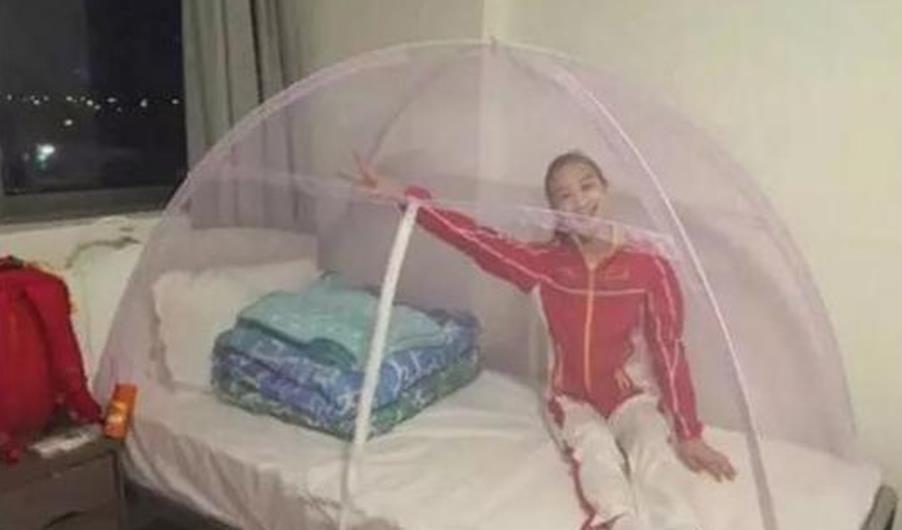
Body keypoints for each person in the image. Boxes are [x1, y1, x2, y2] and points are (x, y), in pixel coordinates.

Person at [355, 151, 736, 530]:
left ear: (606, 189)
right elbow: (476, 239)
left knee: (655, 453)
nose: (580, 201)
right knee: (595, 454)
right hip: (572, 401)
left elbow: (668, 347)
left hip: (631, 397)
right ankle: (618, 521)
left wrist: (689, 433)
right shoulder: (544, 263)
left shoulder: (649, 266)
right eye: (564, 196)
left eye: (587, 186)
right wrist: (407, 198)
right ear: (553, 211)